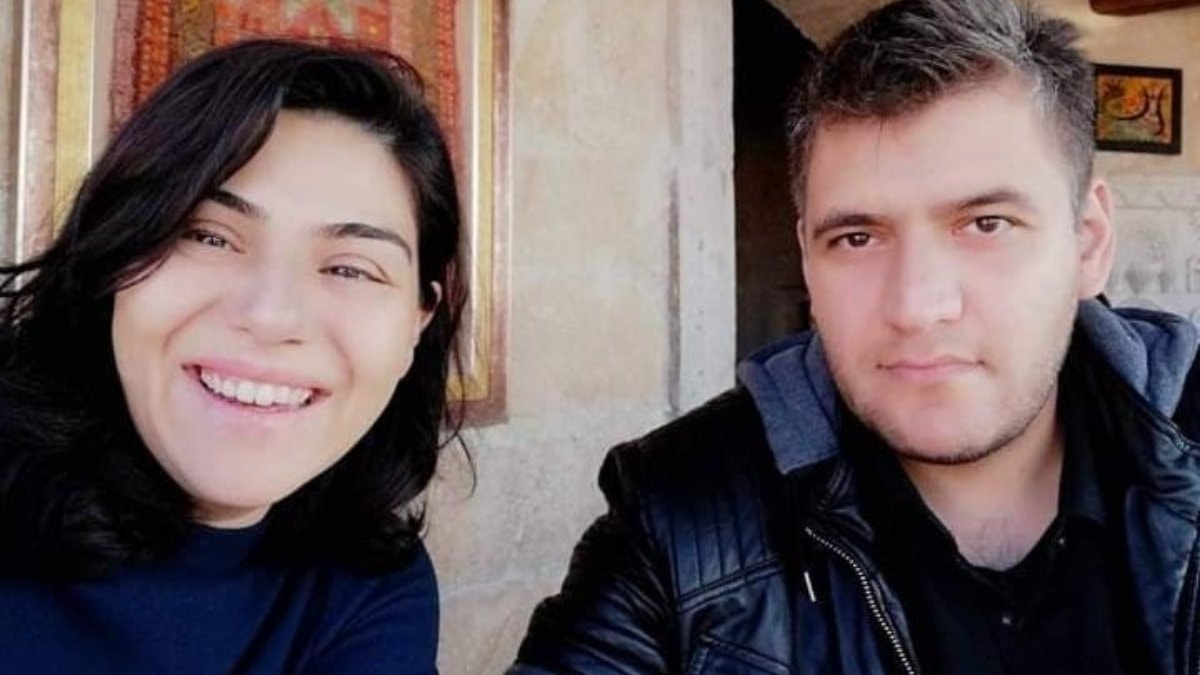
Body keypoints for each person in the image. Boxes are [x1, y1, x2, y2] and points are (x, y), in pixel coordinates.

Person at [511, 0, 1200, 673]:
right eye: (857, 237)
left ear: (1088, 242)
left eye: (986, 224)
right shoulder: (677, 515)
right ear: (808, 261)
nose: (918, 306)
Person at [0, 39, 464, 674]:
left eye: (351, 269)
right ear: (115, 256)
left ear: (418, 321)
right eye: (208, 237)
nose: (271, 316)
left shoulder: (369, 587)